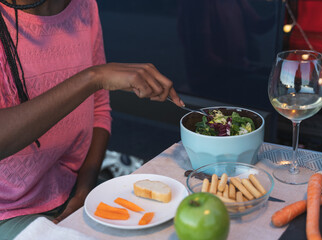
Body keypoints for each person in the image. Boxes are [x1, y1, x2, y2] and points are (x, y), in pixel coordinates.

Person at [0, 0, 184, 238]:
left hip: (74, 187)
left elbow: (99, 109)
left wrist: (85, 189)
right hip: (10, 210)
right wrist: (92, 78)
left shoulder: (83, 5)